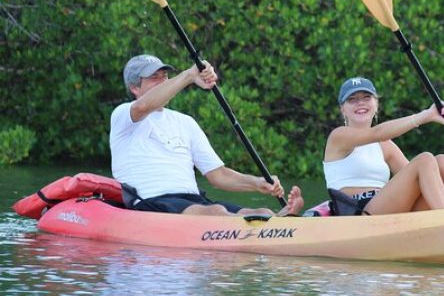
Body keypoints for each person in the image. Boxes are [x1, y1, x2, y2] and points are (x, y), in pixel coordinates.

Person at [110, 54, 303, 216]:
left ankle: (280, 222)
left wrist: (257, 182)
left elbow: (218, 175)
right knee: (217, 212)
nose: (163, 81)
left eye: (165, 76)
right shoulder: (123, 114)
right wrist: (190, 75)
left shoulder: (186, 122)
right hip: (150, 203)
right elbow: (143, 105)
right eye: (154, 78)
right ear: (134, 88)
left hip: (193, 202)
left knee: (261, 213)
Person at [323, 77, 444, 215]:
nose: (360, 103)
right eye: (352, 99)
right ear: (343, 110)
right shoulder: (338, 137)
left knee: (441, 162)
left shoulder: (385, 146)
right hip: (357, 214)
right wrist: (425, 116)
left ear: (376, 105)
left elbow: (426, 178)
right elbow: (377, 132)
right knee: (424, 159)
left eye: (366, 97)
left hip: (389, 208)